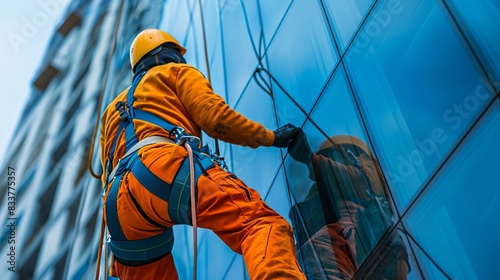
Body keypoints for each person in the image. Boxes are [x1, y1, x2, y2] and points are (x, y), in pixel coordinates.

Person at [99, 29, 306, 280]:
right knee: (259, 224)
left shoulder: (110, 112)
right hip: (162, 166)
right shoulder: (175, 72)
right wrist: (270, 137)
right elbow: (216, 118)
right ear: (170, 53)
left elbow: (106, 169)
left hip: (118, 207)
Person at [288, 132, 409, 279]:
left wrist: (308, 157)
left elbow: (342, 175)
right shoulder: (321, 209)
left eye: (338, 157)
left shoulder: (361, 188)